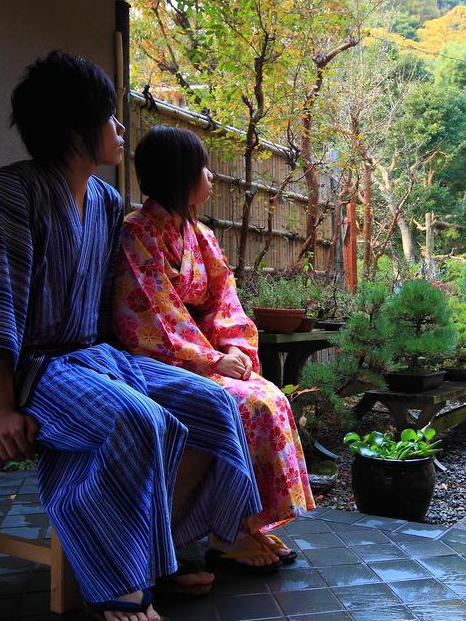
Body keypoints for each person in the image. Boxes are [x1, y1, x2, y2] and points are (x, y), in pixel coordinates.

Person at [0, 52, 262, 621]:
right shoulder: (11, 194)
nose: (121, 131)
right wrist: (2, 408)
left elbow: (110, 304)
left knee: (212, 406)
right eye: (111, 118)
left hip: (91, 356)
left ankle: (154, 554)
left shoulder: (102, 203)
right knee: (137, 420)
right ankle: (113, 583)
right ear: (77, 126)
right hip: (30, 369)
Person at [113, 126, 315, 571]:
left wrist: (235, 347)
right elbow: (153, 315)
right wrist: (212, 359)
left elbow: (225, 299)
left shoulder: (199, 235)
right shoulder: (136, 233)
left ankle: (245, 525)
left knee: (271, 397)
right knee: (247, 407)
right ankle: (227, 533)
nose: (211, 176)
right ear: (180, 175)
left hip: (205, 356)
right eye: (202, 167)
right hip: (159, 362)